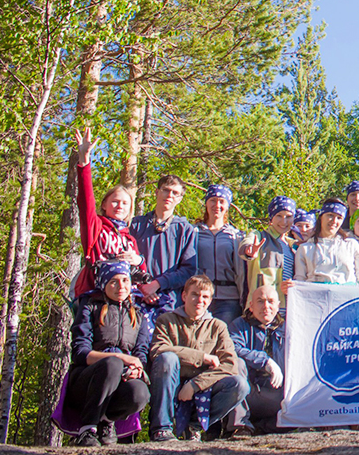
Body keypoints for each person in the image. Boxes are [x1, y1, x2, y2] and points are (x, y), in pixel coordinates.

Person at [148, 275, 250, 441]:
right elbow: (158, 350)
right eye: (194, 294)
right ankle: (162, 428)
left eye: (205, 296)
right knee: (167, 359)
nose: (199, 300)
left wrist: (195, 385)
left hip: (204, 389)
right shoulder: (167, 320)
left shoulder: (218, 326)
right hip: (171, 384)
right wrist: (202, 357)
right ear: (184, 296)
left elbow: (229, 365)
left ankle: (194, 426)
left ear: (210, 300)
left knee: (240, 385)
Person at [63, 261, 151, 447]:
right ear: (104, 283)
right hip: (86, 381)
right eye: (114, 282)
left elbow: (141, 353)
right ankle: (87, 428)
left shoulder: (138, 314)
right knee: (113, 364)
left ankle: (105, 420)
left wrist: (137, 368)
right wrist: (120, 358)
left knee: (140, 392)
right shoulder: (90, 307)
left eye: (125, 281)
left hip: (120, 381)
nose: (121, 287)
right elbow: (80, 353)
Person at [71, 127, 147, 300]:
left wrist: (138, 261)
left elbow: (140, 273)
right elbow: (85, 199)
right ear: (104, 204)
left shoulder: (129, 239)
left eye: (125, 203)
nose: (120, 206)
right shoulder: (96, 226)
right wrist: (84, 162)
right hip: (95, 296)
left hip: (125, 298)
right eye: (115, 201)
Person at [129, 175, 198, 325]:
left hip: (169, 303)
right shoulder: (136, 225)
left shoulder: (185, 230)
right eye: (166, 190)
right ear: (157, 192)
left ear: (180, 198)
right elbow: (127, 261)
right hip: (136, 298)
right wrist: (143, 287)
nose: (169, 196)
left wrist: (157, 284)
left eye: (175, 193)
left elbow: (188, 270)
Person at [228, 285, 285, 435]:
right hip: (248, 392)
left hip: (279, 396)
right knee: (237, 362)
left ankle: (260, 427)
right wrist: (266, 361)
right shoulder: (238, 325)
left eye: (270, 301)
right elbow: (233, 348)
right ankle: (240, 427)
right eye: (260, 301)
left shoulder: (288, 328)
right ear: (251, 306)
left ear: (278, 305)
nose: (266, 306)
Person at [293, 199, 359, 285]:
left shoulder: (350, 244)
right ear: (321, 217)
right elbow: (300, 280)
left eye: (339, 218)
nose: (334, 221)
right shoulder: (305, 248)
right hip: (316, 297)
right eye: (330, 215)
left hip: (346, 298)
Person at [196, 185, 245, 324]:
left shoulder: (236, 236)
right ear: (206, 203)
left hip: (228, 298)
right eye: (213, 200)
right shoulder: (194, 232)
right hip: (200, 295)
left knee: (222, 340)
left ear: (228, 206)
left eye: (221, 201)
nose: (217, 205)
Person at [238, 196, 297, 313]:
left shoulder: (294, 246)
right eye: (279, 216)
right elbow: (245, 246)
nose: (284, 221)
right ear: (271, 218)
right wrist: (249, 251)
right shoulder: (259, 236)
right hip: (261, 308)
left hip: (287, 308)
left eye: (289, 217)